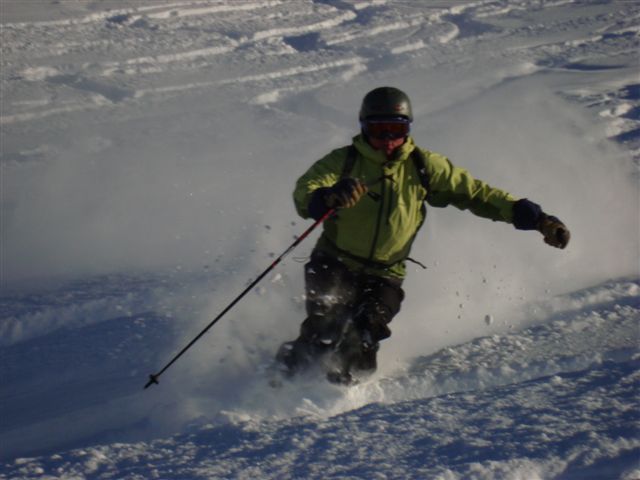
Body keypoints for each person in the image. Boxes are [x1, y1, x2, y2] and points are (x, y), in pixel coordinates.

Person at [276, 86, 570, 384]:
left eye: (396, 129)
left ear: (408, 129)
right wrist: (327, 197)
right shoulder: (344, 162)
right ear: (364, 127)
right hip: (335, 260)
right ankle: (282, 377)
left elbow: (476, 194)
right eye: (379, 130)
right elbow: (306, 189)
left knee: (366, 330)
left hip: (385, 272)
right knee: (325, 326)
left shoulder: (423, 167)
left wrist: (537, 219)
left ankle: (342, 390)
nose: (388, 140)